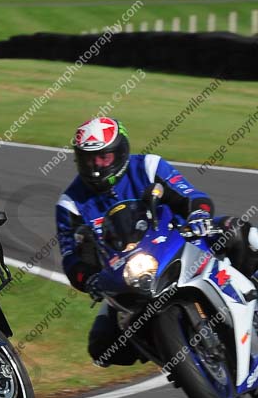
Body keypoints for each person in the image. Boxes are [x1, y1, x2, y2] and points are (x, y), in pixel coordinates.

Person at [55, 117, 258, 366]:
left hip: (180, 241)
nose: (96, 166)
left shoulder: (148, 166)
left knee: (240, 233)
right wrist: (89, 280)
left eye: (103, 157)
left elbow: (192, 196)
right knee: (102, 347)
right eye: (89, 159)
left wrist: (198, 214)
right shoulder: (70, 203)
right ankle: (178, 357)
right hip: (127, 275)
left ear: (120, 152)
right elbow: (71, 258)